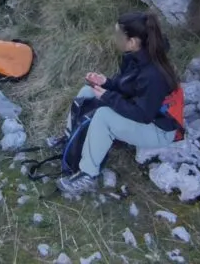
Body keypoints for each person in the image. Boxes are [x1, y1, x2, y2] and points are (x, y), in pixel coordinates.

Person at [53, 11, 181, 195]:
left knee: (104, 116)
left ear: (133, 41)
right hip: (143, 114)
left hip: (159, 130)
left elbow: (143, 115)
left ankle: (88, 174)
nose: (115, 38)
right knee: (86, 91)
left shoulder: (154, 74)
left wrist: (108, 97)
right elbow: (129, 88)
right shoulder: (136, 57)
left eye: (119, 35)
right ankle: (69, 138)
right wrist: (106, 83)